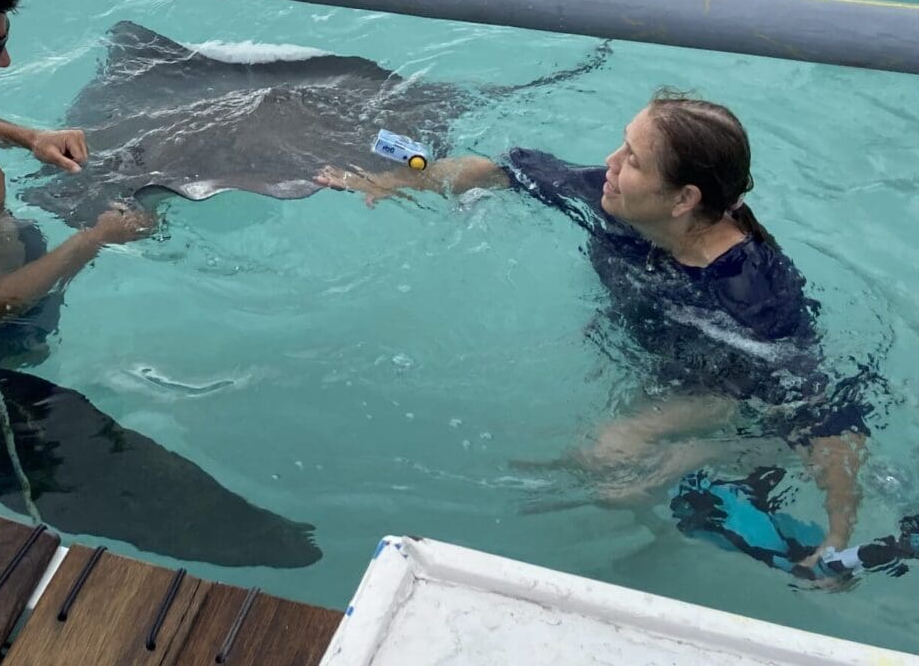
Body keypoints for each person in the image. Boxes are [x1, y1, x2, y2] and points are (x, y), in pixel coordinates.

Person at [317, 89, 870, 567]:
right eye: (622, 143)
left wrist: (838, 530)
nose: (609, 161)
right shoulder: (616, 201)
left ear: (684, 199)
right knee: (610, 471)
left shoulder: (753, 292)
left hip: (730, 396)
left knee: (618, 457)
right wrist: (395, 181)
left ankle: (698, 478)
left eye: (632, 158)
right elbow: (498, 170)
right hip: (666, 361)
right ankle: (660, 509)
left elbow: (820, 407)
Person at [0, 0, 152, 344]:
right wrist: (94, 238)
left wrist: (31, 138)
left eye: (5, 39)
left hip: (18, 259)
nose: (6, 60)